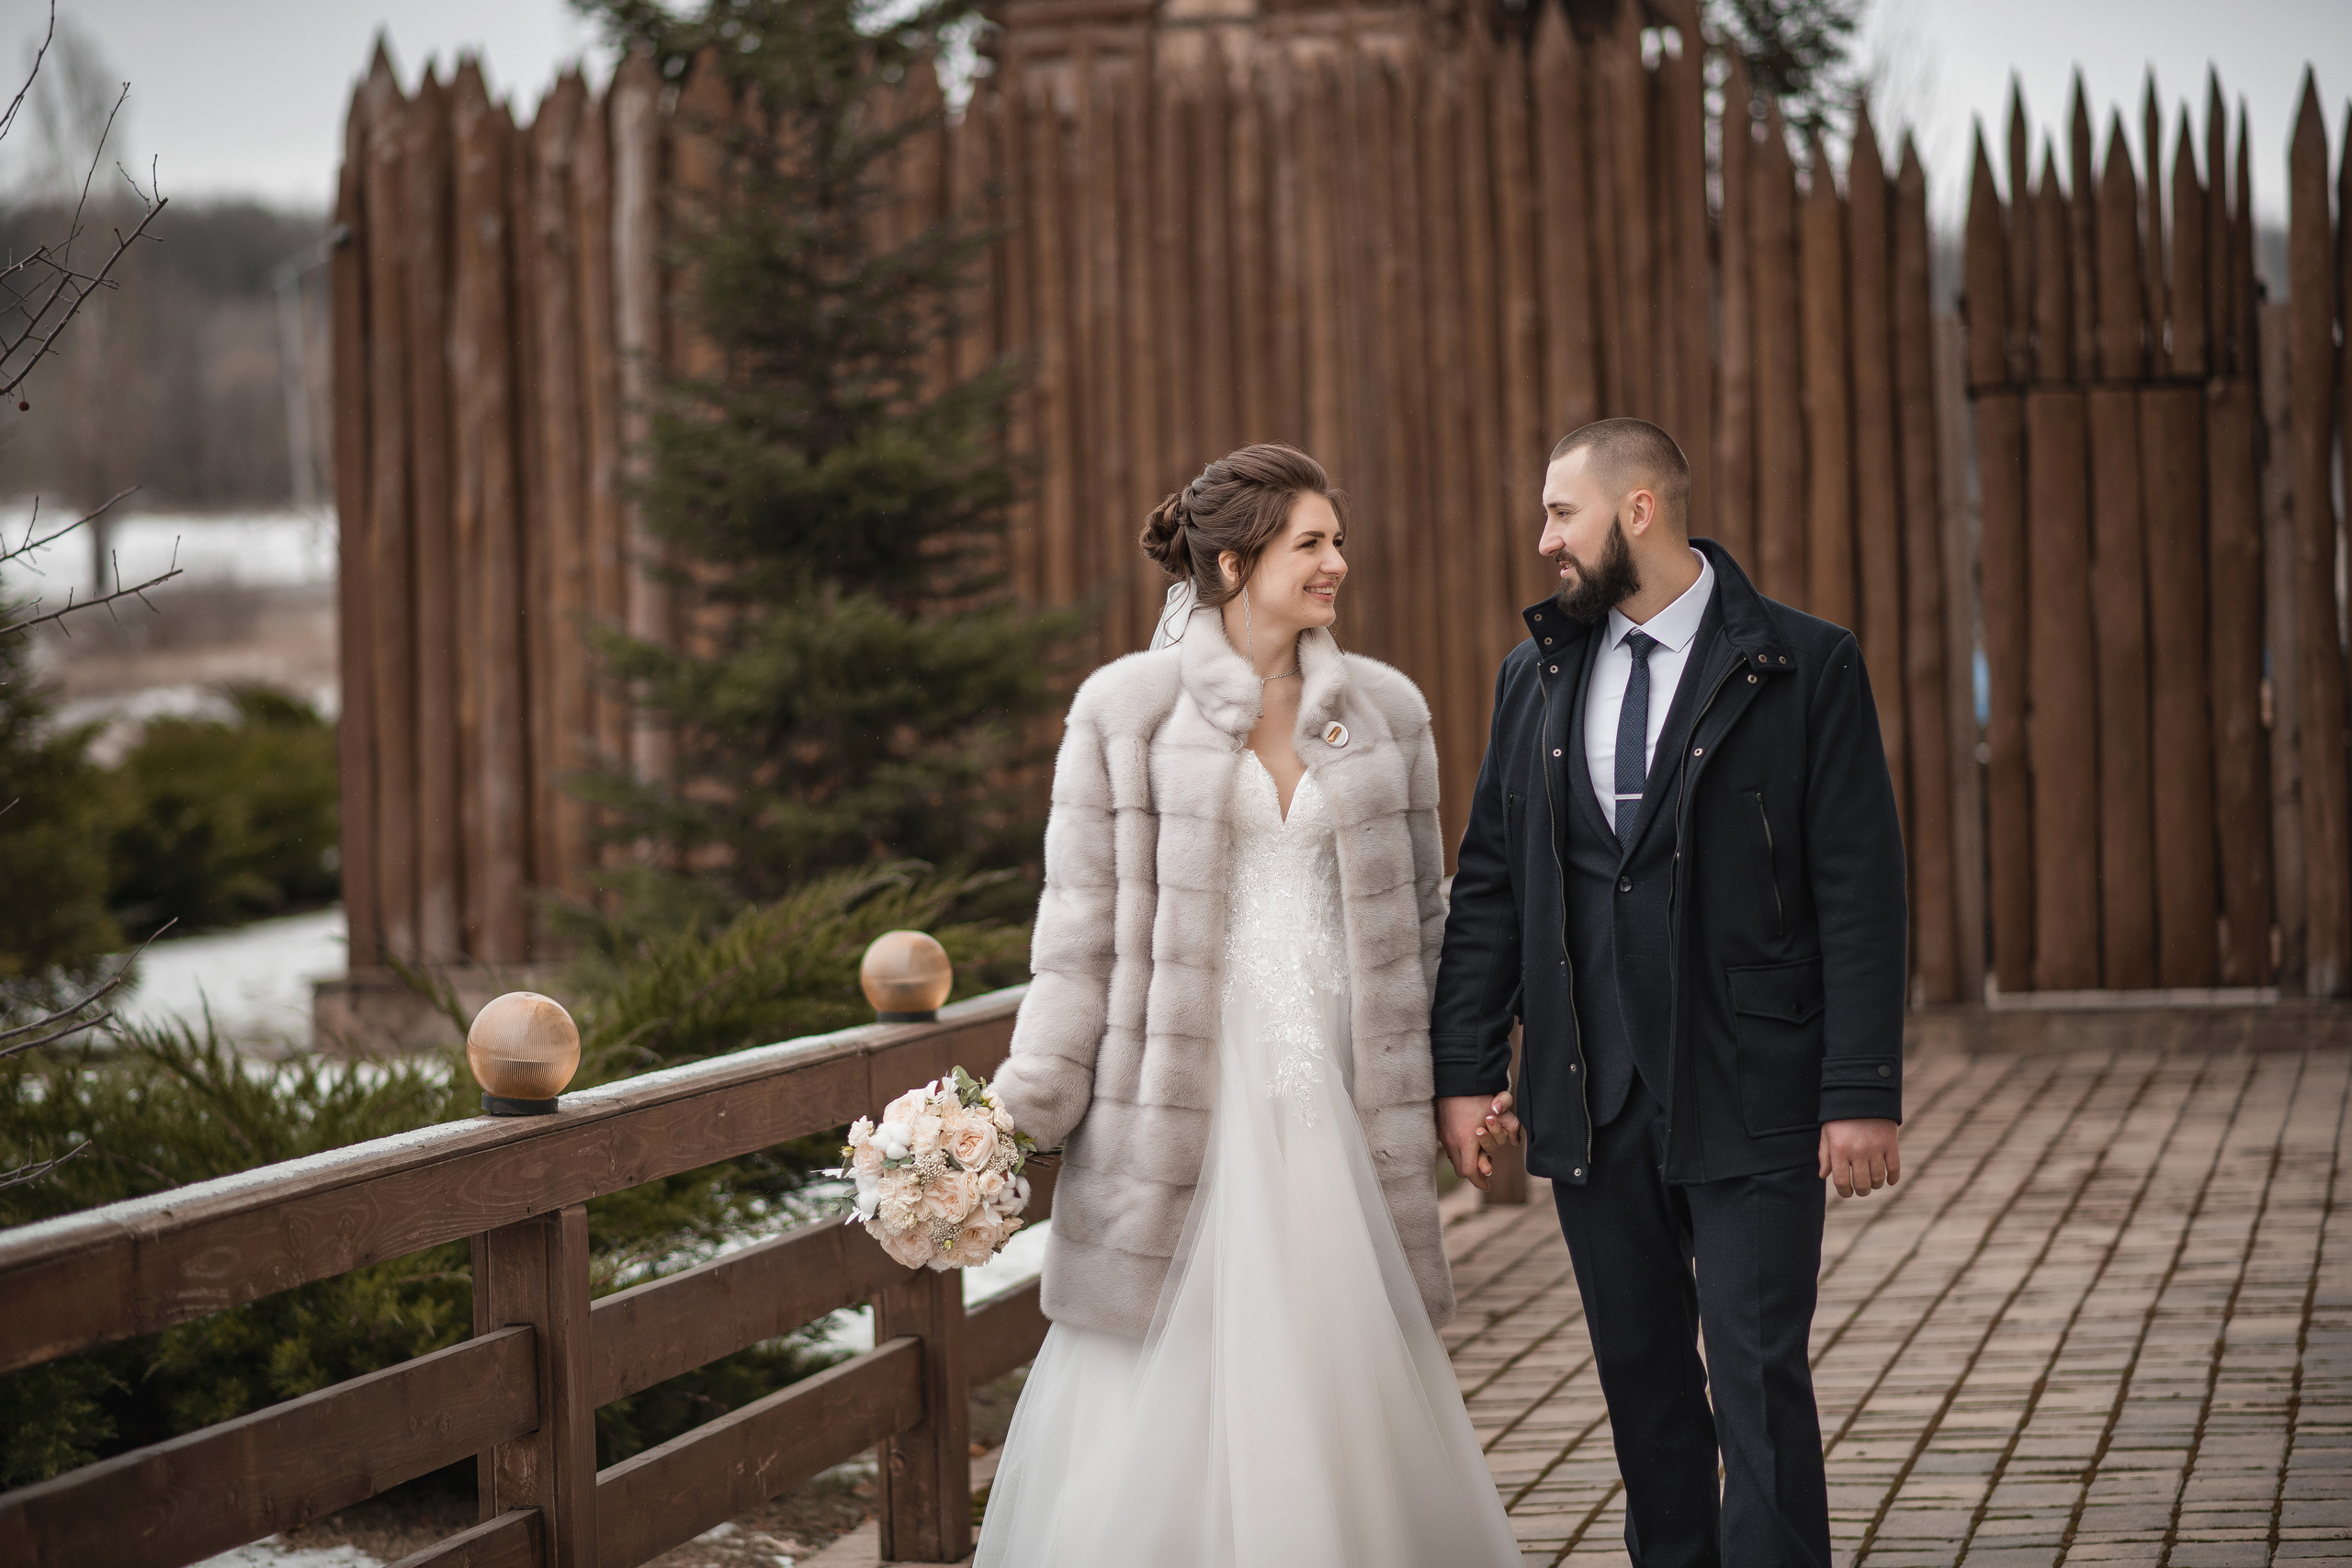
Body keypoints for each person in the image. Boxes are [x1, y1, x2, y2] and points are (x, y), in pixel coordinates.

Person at [978, 443, 1523, 1567]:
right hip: (1180, 1092)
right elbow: (1075, 935)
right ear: (1235, 562)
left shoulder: (1387, 713)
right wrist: (1010, 1117)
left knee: (1337, 1354)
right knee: (1166, 1358)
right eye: (1310, 542)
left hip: (1338, 1081)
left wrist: (1456, 1082)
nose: (1337, 562)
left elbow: (1426, 924)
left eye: (1336, 539)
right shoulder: (1123, 710)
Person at [1431, 418, 1907, 1568]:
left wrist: (1861, 1090)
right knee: (1645, 1394)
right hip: (1593, 1098)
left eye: (1562, 512)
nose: (1544, 539)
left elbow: (1859, 888)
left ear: (1637, 509)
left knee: (1755, 1384)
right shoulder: (1533, 675)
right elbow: (1491, 883)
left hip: (1753, 1089)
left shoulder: (1801, 663)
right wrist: (1463, 1073)